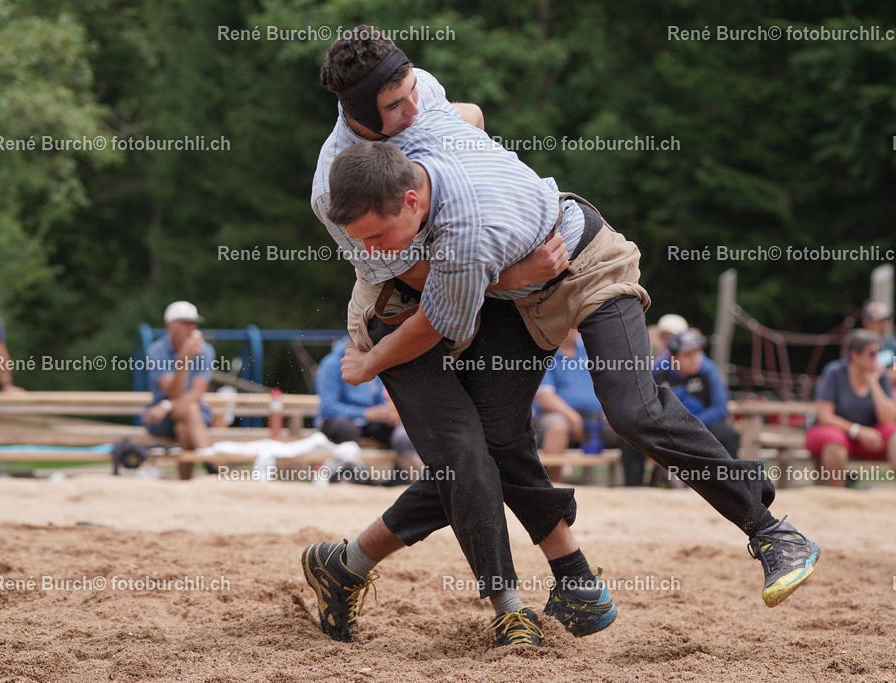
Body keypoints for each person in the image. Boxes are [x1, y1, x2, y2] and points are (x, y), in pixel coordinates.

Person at [326, 108, 820, 624]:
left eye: (377, 235)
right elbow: (469, 114)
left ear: (410, 199)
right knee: (490, 446)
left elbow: (437, 319)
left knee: (633, 412)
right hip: (525, 296)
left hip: (585, 267)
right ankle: (571, 580)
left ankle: (770, 532)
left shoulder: (468, 229)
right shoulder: (416, 155)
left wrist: (368, 362)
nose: (370, 251)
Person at [302, 27, 611, 649]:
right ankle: (509, 606)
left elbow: (465, 115)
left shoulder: (414, 95)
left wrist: (480, 178)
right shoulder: (335, 190)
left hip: (464, 292)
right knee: (466, 453)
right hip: (399, 313)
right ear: (360, 117)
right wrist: (518, 273)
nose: (411, 109)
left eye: (410, 91)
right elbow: (423, 286)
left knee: (489, 446)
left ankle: (345, 565)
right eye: (393, 108)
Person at [804, 329, 896, 490]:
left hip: (868, 438)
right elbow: (824, 417)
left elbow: (888, 419)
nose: (877, 359)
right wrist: (858, 431)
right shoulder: (834, 373)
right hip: (838, 434)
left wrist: (873, 383)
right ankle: (837, 495)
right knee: (833, 439)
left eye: (878, 353)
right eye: (872, 354)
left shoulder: (879, 375)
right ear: (855, 356)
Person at [316, 336, 421, 480]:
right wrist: (365, 413)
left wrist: (385, 414)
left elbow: (379, 401)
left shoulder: (370, 364)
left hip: (366, 423)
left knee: (399, 435)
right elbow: (328, 408)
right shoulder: (331, 364)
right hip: (337, 422)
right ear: (354, 341)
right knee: (348, 429)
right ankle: (348, 478)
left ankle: (398, 481)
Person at [644, 330, 741, 486]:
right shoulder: (657, 373)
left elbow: (720, 409)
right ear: (674, 357)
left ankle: (733, 487)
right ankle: (633, 487)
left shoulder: (708, 371)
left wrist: (692, 425)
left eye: (698, 353)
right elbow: (647, 408)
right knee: (631, 437)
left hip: (702, 428)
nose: (695, 359)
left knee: (728, 434)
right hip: (668, 431)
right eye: (688, 355)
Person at [535, 329, 623, 482]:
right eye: (570, 324)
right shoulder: (546, 353)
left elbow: (611, 387)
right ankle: (552, 486)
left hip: (597, 416)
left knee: (625, 424)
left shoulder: (591, 350)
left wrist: (610, 410)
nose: (575, 328)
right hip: (558, 415)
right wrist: (573, 417)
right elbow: (544, 396)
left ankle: (622, 485)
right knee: (558, 427)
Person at [142, 301, 216, 480]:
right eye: (185, 322)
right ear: (170, 326)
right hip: (163, 420)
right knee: (191, 411)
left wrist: (166, 406)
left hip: (175, 413)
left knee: (185, 425)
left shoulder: (205, 351)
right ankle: (211, 465)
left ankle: (186, 483)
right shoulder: (157, 351)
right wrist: (183, 360)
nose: (192, 328)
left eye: (194, 323)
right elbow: (174, 392)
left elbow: (195, 394)